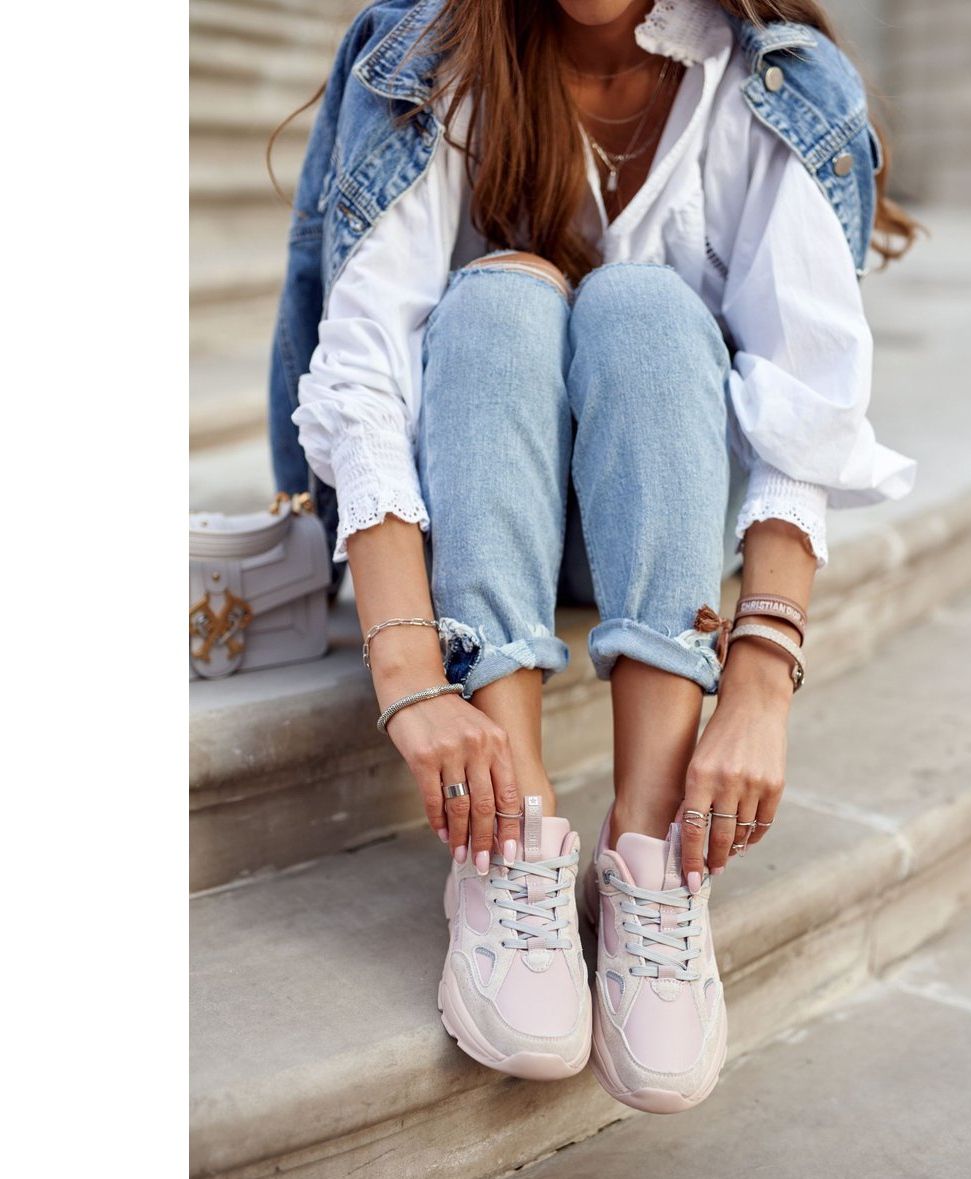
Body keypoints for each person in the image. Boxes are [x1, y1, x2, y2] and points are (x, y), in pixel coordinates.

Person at [269, 0, 918, 1113]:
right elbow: (364, 382)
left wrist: (760, 683)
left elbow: (801, 406)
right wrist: (410, 674)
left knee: (647, 307)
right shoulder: (434, 58)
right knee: (499, 297)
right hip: (477, 518)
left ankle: (652, 846)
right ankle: (508, 832)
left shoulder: (770, 86)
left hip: (661, 529)